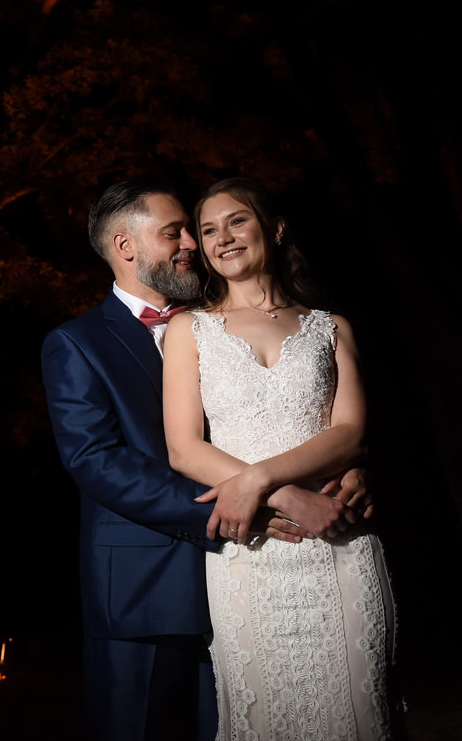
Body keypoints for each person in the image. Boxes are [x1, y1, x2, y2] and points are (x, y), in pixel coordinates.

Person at [41, 177, 360, 741]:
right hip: (148, 590)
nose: (192, 242)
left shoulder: (219, 323)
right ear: (126, 247)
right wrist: (248, 502)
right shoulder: (78, 342)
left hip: (253, 576)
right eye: (175, 232)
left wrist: (343, 470)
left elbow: (291, 416)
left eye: (193, 229)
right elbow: (97, 461)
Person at [162, 177, 396, 740]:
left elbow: (352, 435)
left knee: (359, 713)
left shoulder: (330, 327)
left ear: (276, 227)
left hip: (339, 543)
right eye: (209, 229)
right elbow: (183, 448)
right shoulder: (190, 328)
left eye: (237, 221)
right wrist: (274, 495)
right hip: (250, 550)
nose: (223, 238)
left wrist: (261, 476)